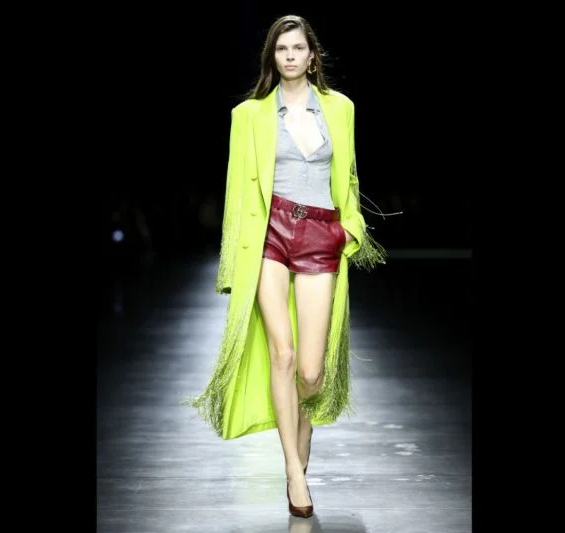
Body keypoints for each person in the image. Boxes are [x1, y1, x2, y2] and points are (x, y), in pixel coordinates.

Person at [187, 14, 386, 518]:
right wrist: (233, 266)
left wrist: (351, 228)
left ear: (312, 57)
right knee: (283, 353)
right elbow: (237, 192)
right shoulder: (248, 115)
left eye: (298, 48)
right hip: (269, 235)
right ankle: (294, 471)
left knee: (312, 372)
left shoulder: (340, 108)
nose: (290, 56)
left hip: (321, 234)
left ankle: (301, 437)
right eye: (282, 49)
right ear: (272, 59)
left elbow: (349, 175)